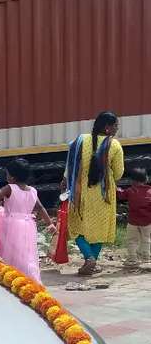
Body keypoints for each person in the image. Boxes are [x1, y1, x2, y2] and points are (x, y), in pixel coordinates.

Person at [64, 111, 124, 276]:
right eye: (115, 126)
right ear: (107, 128)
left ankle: (89, 258)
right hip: (104, 195)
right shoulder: (115, 145)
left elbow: (70, 165)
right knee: (100, 229)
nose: (117, 129)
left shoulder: (80, 140)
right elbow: (118, 174)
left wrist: (65, 181)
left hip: (80, 192)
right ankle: (92, 260)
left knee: (76, 227)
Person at [0, 159, 54, 282]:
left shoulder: (10, 188)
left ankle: (9, 274)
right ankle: (28, 276)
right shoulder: (33, 191)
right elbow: (40, 207)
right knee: (26, 252)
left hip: (10, 223)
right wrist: (50, 223)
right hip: (28, 225)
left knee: (9, 250)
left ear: (11, 177)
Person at [117, 166, 151, 268]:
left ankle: (132, 259)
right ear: (146, 179)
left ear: (132, 180)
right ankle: (146, 258)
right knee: (146, 239)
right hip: (147, 222)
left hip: (133, 221)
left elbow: (121, 195)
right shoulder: (150, 191)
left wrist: (115, 187)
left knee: (132, 240)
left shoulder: (130, 190)